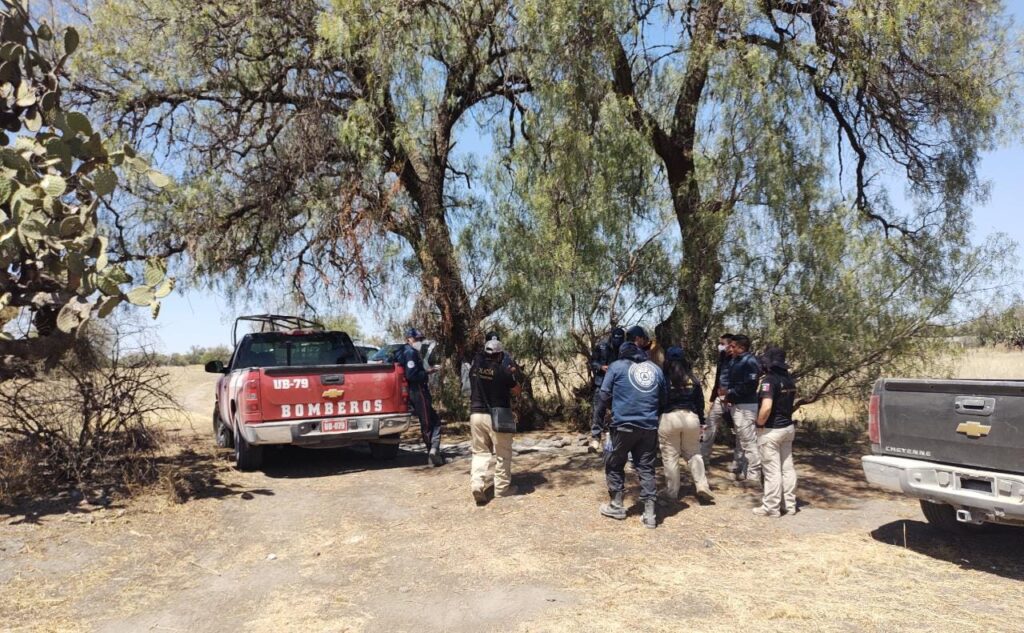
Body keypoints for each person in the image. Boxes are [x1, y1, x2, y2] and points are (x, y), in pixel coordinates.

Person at [594, 325, 666, 529]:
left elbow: (603, 395)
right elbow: (663, 399)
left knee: (615, 464)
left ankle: (617, 505)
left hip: (622, 426)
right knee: (646, 467)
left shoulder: (616, 367)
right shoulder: (655, 369)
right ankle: (650, 514)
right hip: (649, 428)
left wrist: (607, 414)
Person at [468, 338, 522, 504]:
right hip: (497, 416)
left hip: (475, 415)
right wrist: (513, 374)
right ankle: (502, 489)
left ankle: (477, 484)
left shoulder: (474, 369)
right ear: (499, 355)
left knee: (480, 452)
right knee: (503, 454)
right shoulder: (502, 371)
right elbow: (516, 390)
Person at [659, 346, 714, 504]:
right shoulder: (693, 379)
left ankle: (672, 492)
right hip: (691, 418)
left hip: (669, 418)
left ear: (667, 360)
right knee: (694, 453)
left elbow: (660, 400)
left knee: (671, 456)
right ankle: (702, 485)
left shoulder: (664, 378)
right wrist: (702, 422)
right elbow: (699, 402)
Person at [753, 346, 798, 517]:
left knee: (771, 470)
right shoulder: (789, 381)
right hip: (787, 428)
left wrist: (759, 423)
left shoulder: (769, 381)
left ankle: (771, 507)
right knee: (787, 468)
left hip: (771, 431)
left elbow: (766, 407)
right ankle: (790, 505)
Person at [396, 327, 444, 466]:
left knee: (430, 419)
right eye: (416, 339)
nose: (419, 342)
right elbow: (412, 375)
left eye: (420, 339)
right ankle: (433, 451)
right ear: (409, 339)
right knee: (429, 421)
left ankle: (433, 450)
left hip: (412, 390)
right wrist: (428, 372)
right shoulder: (410, 353)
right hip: (418, 390)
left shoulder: (401, 351)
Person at [722, 334, 761, 483]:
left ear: (741, 347)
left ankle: (754, 476)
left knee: (749, 441)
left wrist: (731, 392)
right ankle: (742, 470)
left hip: (746, 406)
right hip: (737, 405)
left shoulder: (750, 362)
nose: (729, 348)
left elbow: (750, 385)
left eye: (733, 346)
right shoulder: (735, 360)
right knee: (741, 440)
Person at [588, 327, 626, 453]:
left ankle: (616, 440)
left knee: (618, 412)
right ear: (611, 337)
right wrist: (601, 367)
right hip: (602, 383)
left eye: (620, 340)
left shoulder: (625, 348)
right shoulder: (601, 346)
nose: (617, 342)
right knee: (598, 411)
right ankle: (595, 439)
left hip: (619, 386)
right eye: (615, 339)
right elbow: (592, 362)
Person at [702, 333, 734, 466]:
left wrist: (731, 395)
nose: (719, 346)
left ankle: (742, 462)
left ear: (730, 345)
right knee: (710, 426)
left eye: (722, 344)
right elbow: (718, 378)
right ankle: (703, 459)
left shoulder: (738, 360)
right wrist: (713, 397)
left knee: (739, 430)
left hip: (733, 399)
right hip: (719, 399)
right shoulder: (722, 357)